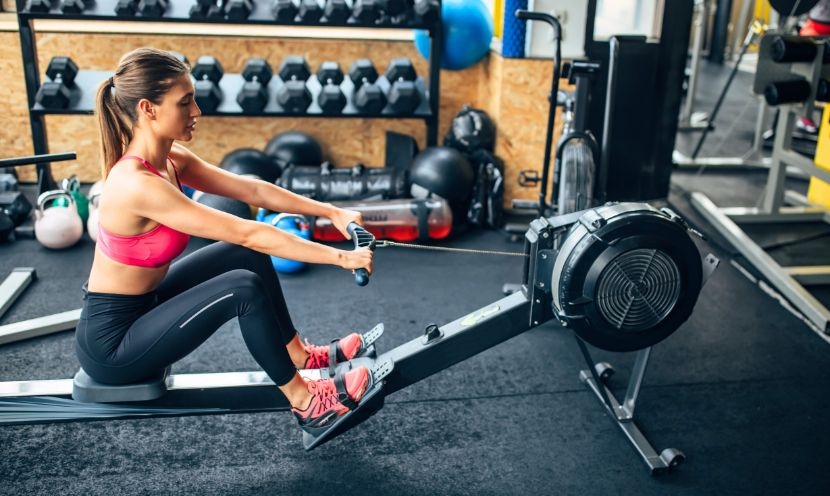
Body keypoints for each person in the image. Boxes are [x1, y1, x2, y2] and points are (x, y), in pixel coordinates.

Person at [76, 47, 374, 435]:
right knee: (241, 287)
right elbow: (249, 229)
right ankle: (306, 402)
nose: (197, 111)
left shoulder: (170, 160)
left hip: (144, 306)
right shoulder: (136, 185)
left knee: (244, 256)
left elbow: (252, 190)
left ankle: (299, 355)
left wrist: (332, 212)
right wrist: (341, 258)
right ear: (148, 109)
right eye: (185, 102)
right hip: (113, 344)